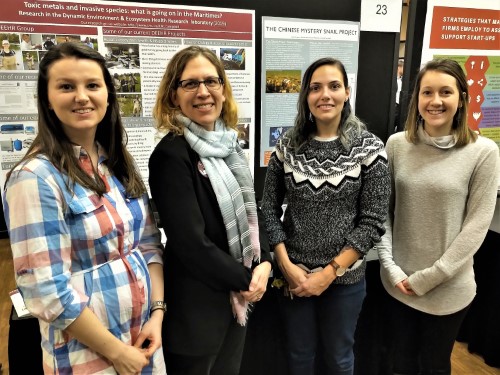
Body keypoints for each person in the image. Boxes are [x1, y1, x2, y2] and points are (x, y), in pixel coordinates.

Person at [3, 42, 166, 374]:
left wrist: (157, 314)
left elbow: (148, 244)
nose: (81, 96)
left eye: (92, 85)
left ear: (107, 95)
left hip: (144, 341)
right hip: (90, 357)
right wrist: (117, 353)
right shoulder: (35, 178)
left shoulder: (116, 163)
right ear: (47, 100)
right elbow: (44, 290)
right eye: (66, 86)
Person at [261, 57, 391, 375]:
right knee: (299, 356)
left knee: (339, 359)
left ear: (347, 92)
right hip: (295, 277)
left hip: (345, 281)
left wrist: (329, 273)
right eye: (315, 88)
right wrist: (287, 266)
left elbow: (373, 222)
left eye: (334, 86)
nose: (325, 95)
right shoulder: (287, 146)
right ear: (306, 96)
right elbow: (268, 210)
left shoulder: (370, 149)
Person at [149, 45, 272, 375]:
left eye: (211, 81)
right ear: (173, 95)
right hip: (197, 316)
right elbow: (191, 243)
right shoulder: (171, 155)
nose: (203, 92)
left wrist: (265, 264)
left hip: (234, 306)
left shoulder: (229, 147)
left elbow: (251, 217)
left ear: (223, 88)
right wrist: (249, 278)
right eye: (190, 84)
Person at [378, 58, 499, 375]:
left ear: (460, 98)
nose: (435, 101)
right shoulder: (396, 145)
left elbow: (476, 226)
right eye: (427, 92)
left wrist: (430, 277)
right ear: (416, 98)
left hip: (448, 289)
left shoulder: (483, 152)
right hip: (398, 284)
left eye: (445, 92)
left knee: (433, 365)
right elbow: (383, 213)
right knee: (399, 362)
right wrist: (391, 269)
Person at [394, 58, 404, 131]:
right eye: (403, 67)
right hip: (394, 106)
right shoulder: (393, 80)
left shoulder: (401, 80)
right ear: (399, 67)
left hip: (399, 106)